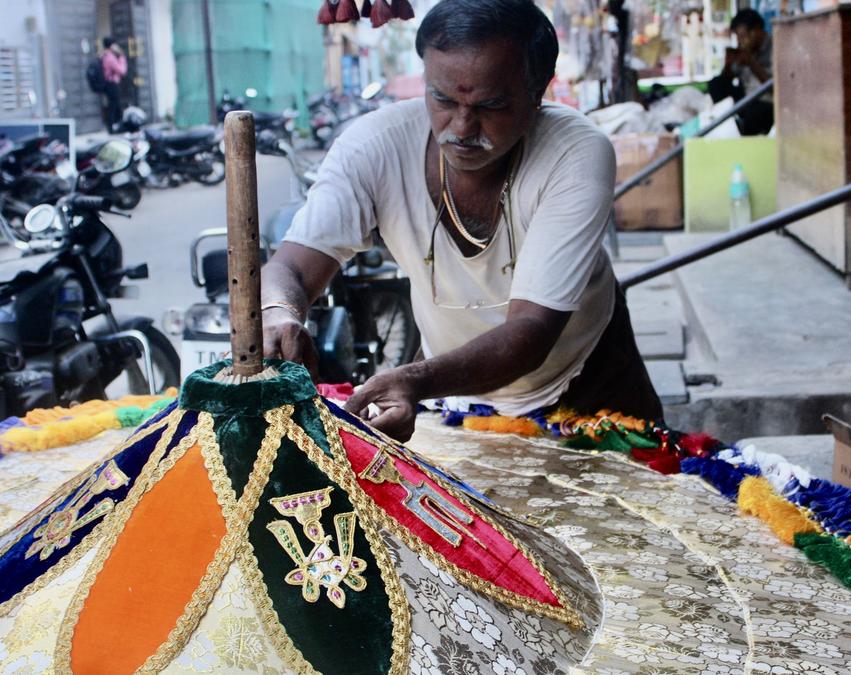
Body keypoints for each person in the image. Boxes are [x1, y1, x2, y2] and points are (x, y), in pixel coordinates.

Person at [260, 0, 661, 442]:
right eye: (443, 99)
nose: (463, 127)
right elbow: (293, 268)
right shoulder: (374, 145)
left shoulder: (577, 152)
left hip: (587, 382)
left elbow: (530, 330)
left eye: (491, 105)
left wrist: (417, 381)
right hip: (456, 394)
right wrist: (280, 314)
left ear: (539, 93)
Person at [707, 9, 773, 136]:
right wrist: (728, 65)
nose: (740, 41)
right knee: (716, 83)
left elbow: (775, 87)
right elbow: (728, 79)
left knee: (755, 112)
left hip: (766, 102)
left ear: (756, 31)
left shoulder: (773, 47)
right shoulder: (744, 50)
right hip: (747, 98)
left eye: (742, 36)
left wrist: (752, 63)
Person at [100, 37, 128, 131]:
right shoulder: (110, 57)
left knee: (114, 105)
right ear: (112, 45)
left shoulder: (104, 55)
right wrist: (121, 56)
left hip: (109, 83)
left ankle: (114, 125)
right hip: (112, 84)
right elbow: (122, 70)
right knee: (113, 105)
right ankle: (113, 126)